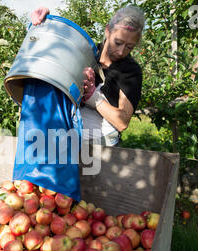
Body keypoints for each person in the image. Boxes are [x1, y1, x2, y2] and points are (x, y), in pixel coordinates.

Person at [31, 5, 145, 146]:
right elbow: (54, 56)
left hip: (102, 146)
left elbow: (121, 122)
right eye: (118, 42)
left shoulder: (130, 71)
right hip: (66, 141)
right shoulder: (86, 54)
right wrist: (45, 23)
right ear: (108, 30)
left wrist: (93, 98)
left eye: (129, 47)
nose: (121, 52)